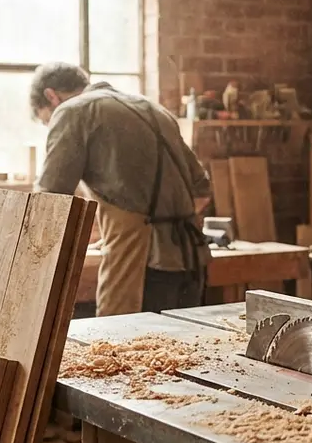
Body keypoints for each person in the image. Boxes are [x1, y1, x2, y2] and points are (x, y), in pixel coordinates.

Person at [30, 62, 212, 316]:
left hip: (141, 267)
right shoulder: (152, 108)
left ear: (51, 97)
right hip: (191, 261)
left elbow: (49, 201)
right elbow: (201, 192)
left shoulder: (72, 111)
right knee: (181, 352)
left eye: (45, 120)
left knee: (123, 349)